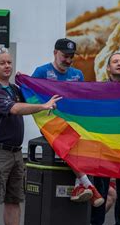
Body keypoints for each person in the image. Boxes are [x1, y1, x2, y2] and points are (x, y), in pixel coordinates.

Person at [0, 47, 62, 225]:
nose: (7, 66)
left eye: (9, 62)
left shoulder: (14, 89)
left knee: (14, 199)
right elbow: (16, 109)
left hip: (16, 153)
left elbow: (32, 94)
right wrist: (43, 106)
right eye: (2, 63)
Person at [32, 38, 103, 207]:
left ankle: (80, 186)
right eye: (65, 56)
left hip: (74, 123)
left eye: (72, 56)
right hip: (50, 124)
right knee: (69, 139)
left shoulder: (77, 74)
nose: (69, 60)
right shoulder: (41, 72)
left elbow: (82, 99)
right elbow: (31, 96)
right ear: (55, 53)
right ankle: (88, 186)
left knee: (90, 140)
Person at [89, 53, 120, 225]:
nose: (119, 64)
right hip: (104, 150)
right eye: (115, 61)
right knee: (101, 194)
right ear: (108, 68)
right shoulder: (100, 90)